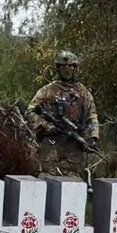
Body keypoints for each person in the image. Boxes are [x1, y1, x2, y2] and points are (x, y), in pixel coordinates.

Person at [26, 50, 99, 178]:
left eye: (70, 66)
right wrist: (46, 125)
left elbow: (92, 117)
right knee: (47, 182)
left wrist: (92, 138)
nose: (67, 69)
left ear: (75, 68)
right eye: (63, 66)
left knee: (73, 185)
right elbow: (30, 112)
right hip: (50, 146)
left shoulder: (83, 92)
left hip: (74, 148)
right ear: (58, 69)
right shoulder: (47, 91)